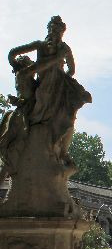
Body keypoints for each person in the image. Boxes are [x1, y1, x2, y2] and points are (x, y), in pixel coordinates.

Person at [6, 16, 92, 172]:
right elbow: (12, 53)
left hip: (59, 88)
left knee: (68, 118)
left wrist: (63, 77)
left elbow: (72, 69)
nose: (55, 33)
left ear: (62, 32)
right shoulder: (40, 45)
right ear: (48, 29)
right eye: (53, 29)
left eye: (59, 31)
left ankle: (63, 152)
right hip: (43, 87)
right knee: (39, 109)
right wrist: (17, 64)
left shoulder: (65, 48)